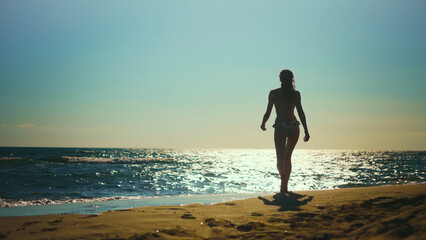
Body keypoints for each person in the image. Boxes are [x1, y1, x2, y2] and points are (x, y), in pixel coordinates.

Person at [260, 69, 310, 193]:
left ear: (280, 79)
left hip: (281, 126)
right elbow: (301, 113)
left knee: (280, 159)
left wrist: (263, 123)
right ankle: (285, 186)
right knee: (287, 158)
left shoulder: (274, 93)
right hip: (294, 126)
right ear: (292, 79)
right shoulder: (295, 94)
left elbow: (268, 112)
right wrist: (306, 130)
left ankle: (283, 186)